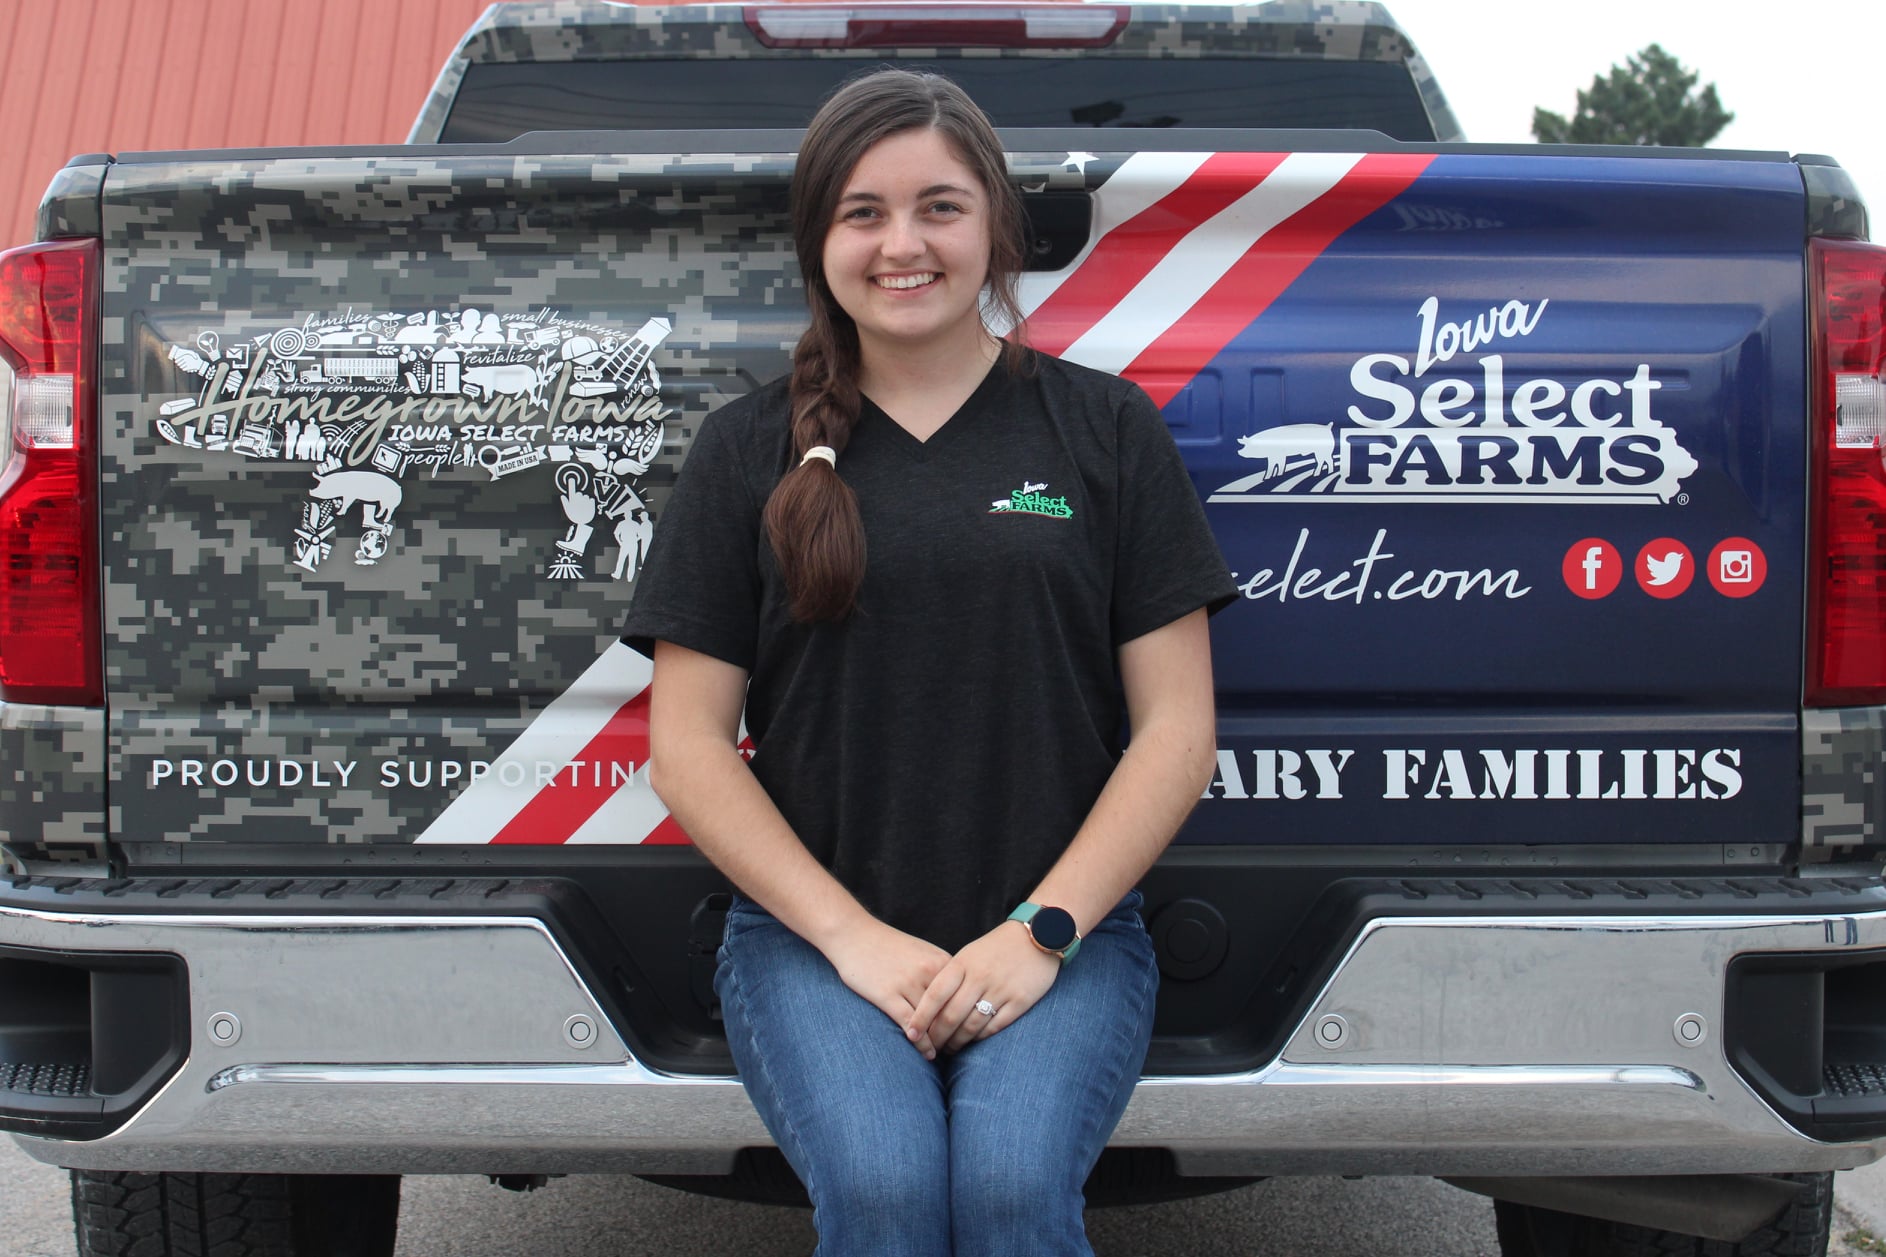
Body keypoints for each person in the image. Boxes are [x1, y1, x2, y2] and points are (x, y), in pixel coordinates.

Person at [621, 67, 1236, 1257]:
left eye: (940, 207)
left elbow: (1176, 732)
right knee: (890, 1193)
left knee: (1009, 1194)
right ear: (819, 238)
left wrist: (1042, 931)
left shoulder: (1104, 431)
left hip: (1066, 935)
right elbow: (687, 749)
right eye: (863, 211)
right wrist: (852, 939)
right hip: (810, 941)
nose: (902, 244)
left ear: (996, 227)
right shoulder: (745, 447)